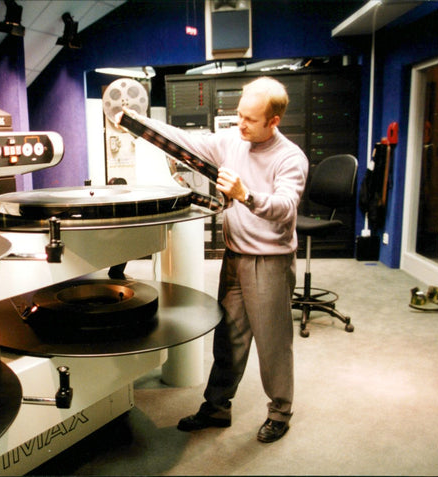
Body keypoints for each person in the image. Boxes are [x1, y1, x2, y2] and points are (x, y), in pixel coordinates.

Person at [117, 76, 308, 443]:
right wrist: (136, 122)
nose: (241, 124)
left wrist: (245, 195)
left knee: (273, 344)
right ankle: (217, 407)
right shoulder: (233, 141)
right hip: (235, 258)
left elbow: (285, 208)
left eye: (250, 120)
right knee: (229, 338)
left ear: (273, 121)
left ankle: (280, 412)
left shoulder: (289, 158)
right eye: (239, 115)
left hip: (269, 263)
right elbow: (185, 140)